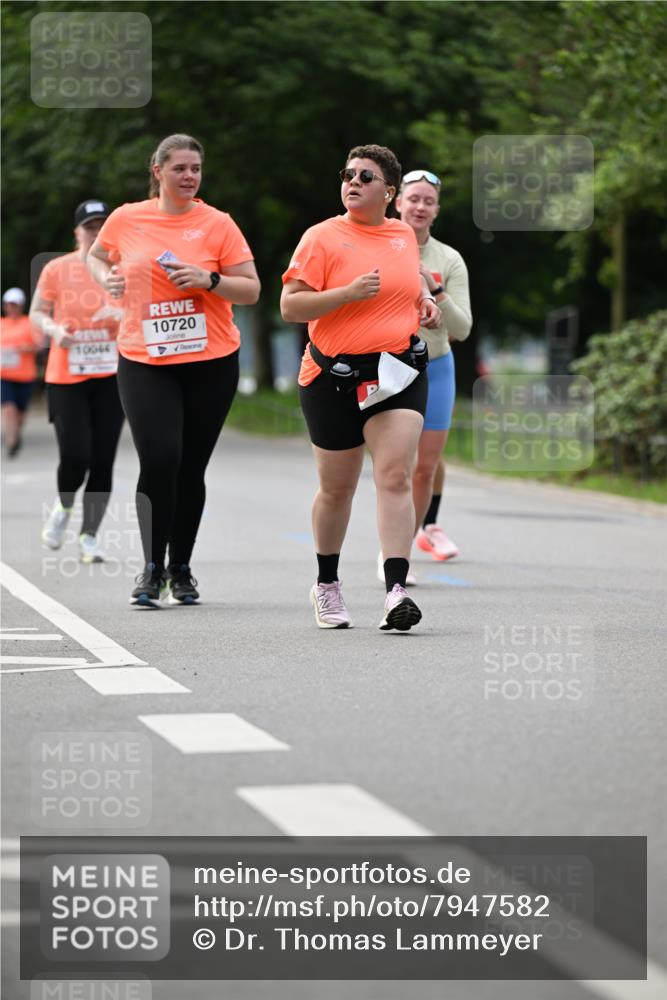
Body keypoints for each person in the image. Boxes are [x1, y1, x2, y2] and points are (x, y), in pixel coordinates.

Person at [87, 133, 260, 608]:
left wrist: (210, 279)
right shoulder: (127, 218)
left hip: (211, 361)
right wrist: (108, 278)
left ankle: (180, 568)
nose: (189, 176)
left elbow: (251, 290)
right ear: (158, 171)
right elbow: (97, 256)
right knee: (161, 458)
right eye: (180, 168)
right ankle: (150, 568)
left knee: (191, 467)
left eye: (196, 169)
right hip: (145, 359)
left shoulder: (218, 223)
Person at [281, 144, 441, 632]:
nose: (353, 182)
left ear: (388, 192)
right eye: (347, 174)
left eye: (365, 176)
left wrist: (425, 301)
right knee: (337, 488)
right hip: (332, 377)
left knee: (395, 476)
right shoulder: (321, 237)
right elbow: (290, 306)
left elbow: (410, 279)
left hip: (396, 372)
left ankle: (396, 592)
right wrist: (346, 295)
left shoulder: (401, 235)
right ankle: (327, 584)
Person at [30, 200, 125, 563]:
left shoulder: (121, 269)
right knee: (75, 454)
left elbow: (139, 310)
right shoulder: (57, 268)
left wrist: (119, 313)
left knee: (102, 459)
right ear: (77, 232)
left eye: (102, 226)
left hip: (111, 374)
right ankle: (64, 506)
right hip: (66, 375)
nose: (96, 232)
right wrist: (54, 330)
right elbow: (37, 312)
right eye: (90, 227)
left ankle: (89, 537)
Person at [396, 169, 472, 565]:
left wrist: (436, 290)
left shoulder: (449, 259)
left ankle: (399, 552)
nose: (420, 207)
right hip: (389, 366)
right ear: (397, 202)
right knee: (397, 468)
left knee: (425, 468)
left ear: (437, 210)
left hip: (437, 366)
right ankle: (394, 545)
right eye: (413, 199)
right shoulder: (379, 245)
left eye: (428, 201)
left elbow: (462, 328)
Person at [1, 287, 42, 457]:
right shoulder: (1, 324)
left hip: (25, 376)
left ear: (21, 306)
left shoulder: (29, 323)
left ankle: (16, 435)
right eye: (9, 304)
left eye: (15, 304)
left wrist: (27, 348)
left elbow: (40, 345)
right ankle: (11, 442)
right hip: (4, 376)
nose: (12, 307)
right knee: (8, 409)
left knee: (20, 413)